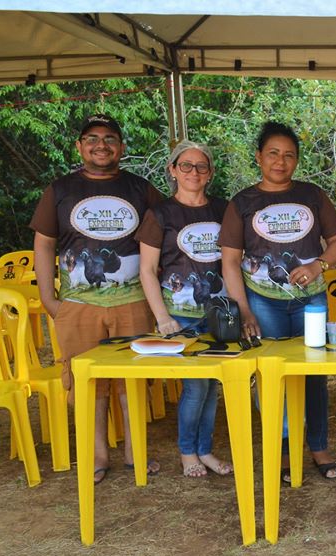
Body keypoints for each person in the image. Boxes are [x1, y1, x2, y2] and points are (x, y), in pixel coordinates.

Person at [30, 113, 163, 485]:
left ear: (121, 147)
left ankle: (136, 452)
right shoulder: (60, 190)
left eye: (109, 138)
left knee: (132, 380)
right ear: (79, 146)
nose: (100, 145)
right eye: (92, 138)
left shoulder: (141, 189)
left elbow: (162, 238)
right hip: (77, 304)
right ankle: (97, 453)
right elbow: (44, 244)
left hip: (133, 301)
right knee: (86, 381)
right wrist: (48, 298)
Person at [219, 121, 336, 481]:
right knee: (272, 375)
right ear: (259, 157)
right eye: (273, 153)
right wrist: (244, 309)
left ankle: (319, 446)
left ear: (297, 161)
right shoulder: (242, 202)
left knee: (314, 375)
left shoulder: (312, 195)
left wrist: (318, 265)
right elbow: (230, 261)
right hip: (263, 303)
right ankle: (286, 448)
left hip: (311, 301)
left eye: (289, 155)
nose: (281, 161)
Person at [136, 140, 232, 478]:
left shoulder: (224, 209)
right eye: (186, 165)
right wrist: (163, 317)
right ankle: (188, 451)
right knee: (194, 386)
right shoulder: (160, 214)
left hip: (219, 312)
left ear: (210, 173)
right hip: (181, 314)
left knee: (212, 383)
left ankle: (204, 449)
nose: (194, 172)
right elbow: (147, 269)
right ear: (173, 171)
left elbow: (235, 260)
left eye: (201, 166)